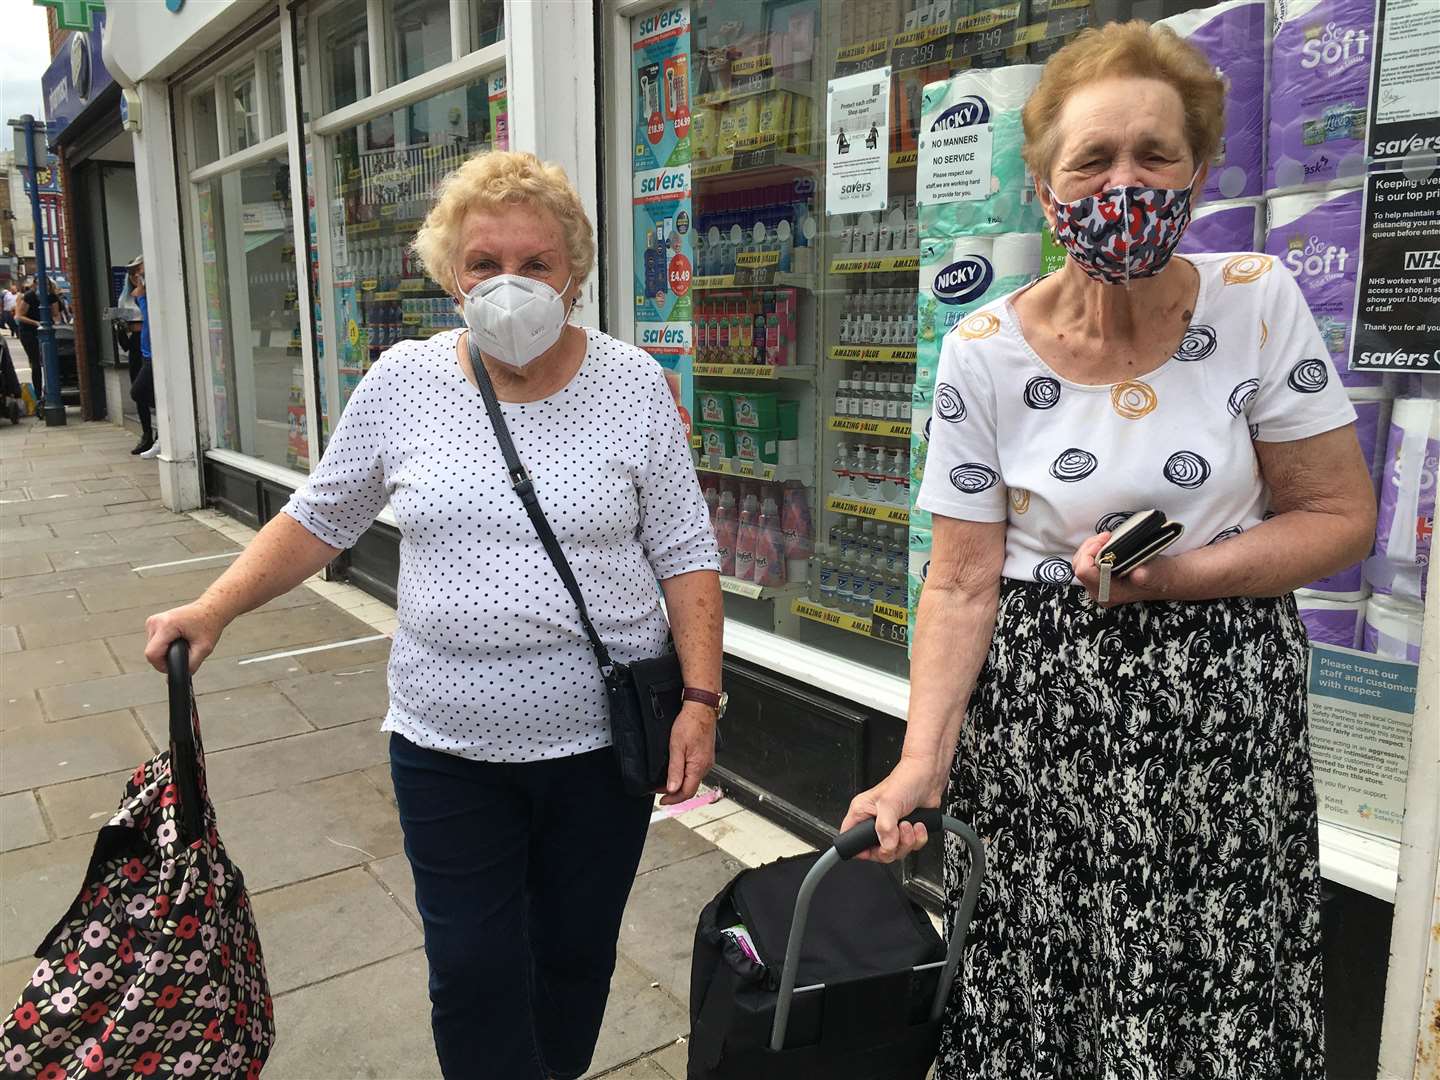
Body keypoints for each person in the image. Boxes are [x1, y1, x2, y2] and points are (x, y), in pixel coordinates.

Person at [842, 21, 1375, 1080]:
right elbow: (958, 579)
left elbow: (1337, 516)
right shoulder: (984, 351)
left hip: (1224, 704)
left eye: (1153, 156)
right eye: (1092, 159)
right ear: (1045, 187)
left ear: (1199, 172)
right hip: (1045, 716)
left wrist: (1175, 577)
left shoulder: (1257, 303)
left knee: (1221, 973)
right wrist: (918, 764)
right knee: (1047, 979)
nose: (1122, 183)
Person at [143, 150, 724, 1080]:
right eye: (485, 263)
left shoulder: (633, 386)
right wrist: (213, 609)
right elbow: (317, 516)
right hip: (446, 745)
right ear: (451, 272)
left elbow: (687, 552)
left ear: (573, 271)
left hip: (603, 749)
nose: (510, 284)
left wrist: (700, 697)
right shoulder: (402, 382)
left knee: (574, 955)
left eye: (535, 264)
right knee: (470, 970)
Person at [118, 256, 157, 455]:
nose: (136, 276)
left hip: (151, 345)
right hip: (138, 344)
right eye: (133, 273)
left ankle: (162, 432)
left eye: (139, 272)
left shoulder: (150, 292)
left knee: (143, 390)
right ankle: (147, 433)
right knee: (139, 391)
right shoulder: (130, 295)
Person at [15, 276, 62, 414]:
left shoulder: (51, 297)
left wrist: (56, 322)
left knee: (50, 362)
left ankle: (51, 391)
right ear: (35, 285)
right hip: (29, 332)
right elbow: (19, 316)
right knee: (35, 362)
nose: (45, 287)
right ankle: (38, 395)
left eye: (47, 285)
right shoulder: (29, 297)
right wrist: (37, 323)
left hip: (46, 332)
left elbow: (55, 314)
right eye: (41, 284)